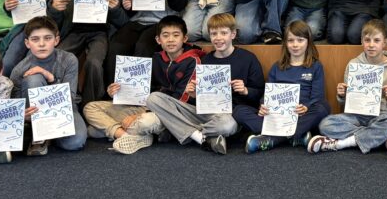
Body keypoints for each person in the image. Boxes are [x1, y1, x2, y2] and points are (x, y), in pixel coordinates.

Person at [83, 15, 204, 155]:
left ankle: (111, 129)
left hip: (169, 113)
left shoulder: (192, 61)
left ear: (184, 38)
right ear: (158, 40)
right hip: (145, 107)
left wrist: (140, 115)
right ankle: (126, 135)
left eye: (176, 35)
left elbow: (181, 101)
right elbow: (142, 91)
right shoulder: (156, 58)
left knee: (144, 123)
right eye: (165, 35)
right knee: (90, 107)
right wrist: (116, 91)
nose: (170, 39)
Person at [146, 13, 261, 154]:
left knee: (227, 126)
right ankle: (200, 137)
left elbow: (259, 93)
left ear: (233, 34)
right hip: (203, 112)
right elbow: (198, 100)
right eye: (213, 34)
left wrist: (245, 90)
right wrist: (194, 94)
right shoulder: (205, 60)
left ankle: (177, 129)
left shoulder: (248, 58)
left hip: (227, 115)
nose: (218, 38)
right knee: (153, 98)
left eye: (223, 33)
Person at [309, 19, 387, 154]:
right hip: (358, 116)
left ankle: (343, 143)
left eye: (376, 40)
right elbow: (346, 104)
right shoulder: (353, 64)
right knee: (325, 124)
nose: (371, 45)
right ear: (361, 41)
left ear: (385, 43)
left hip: (384, 115)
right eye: (367, 40)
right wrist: (342, 95)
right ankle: (379, 139)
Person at [242, 21, 331, 153]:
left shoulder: (315, 66)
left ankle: (272, 139)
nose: (295, 45)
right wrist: (263, 106)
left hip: (302, 115)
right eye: (290, 40)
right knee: (239, 111)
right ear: (285, 43)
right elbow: (267, 95)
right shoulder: (277, 67)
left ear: (308, 42)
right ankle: (296, 136)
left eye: (300, 40)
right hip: (278, 116)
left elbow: (318, 97)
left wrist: (306, 107)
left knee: (323, 107)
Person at [59, 0, 129, 104]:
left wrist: (115, 9)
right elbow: (57, 19)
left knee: (94, 63)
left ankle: (91, 103)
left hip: (100, 33)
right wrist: (56, 9)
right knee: (58, 56)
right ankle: (64, 101)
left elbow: (125, 23)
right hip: (74, 31)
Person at [10, 16, 88, 155]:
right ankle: (40, 133)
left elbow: (70, 98)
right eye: (35, 39)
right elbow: (16, 103)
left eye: (47, 38)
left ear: (56, 40)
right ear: (27, 43)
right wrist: (23, 115)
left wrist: (50, 78)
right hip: (34, 115)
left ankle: (48, 135)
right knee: (33, 78)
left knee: (75, 142)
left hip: (64, 109)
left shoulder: (69, 60)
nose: (41, 44)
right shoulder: (19, 69)